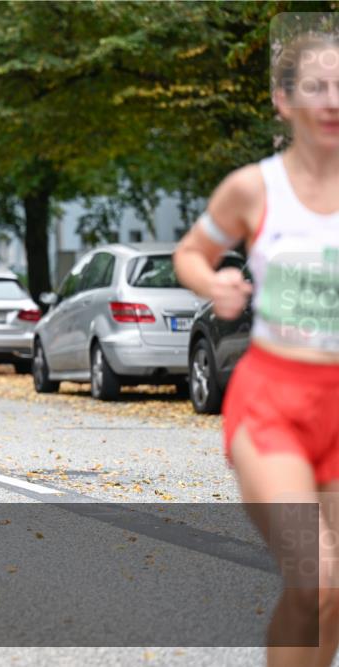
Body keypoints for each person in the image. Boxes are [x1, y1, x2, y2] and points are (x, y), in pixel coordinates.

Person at [174, 34, 339, 667]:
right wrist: (213, 281)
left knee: (331, 596)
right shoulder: (254, 189)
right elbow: (191, 251)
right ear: (282, 101)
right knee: (316, 577)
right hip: (274, 401)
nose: (330, 101)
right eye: (314, 87)